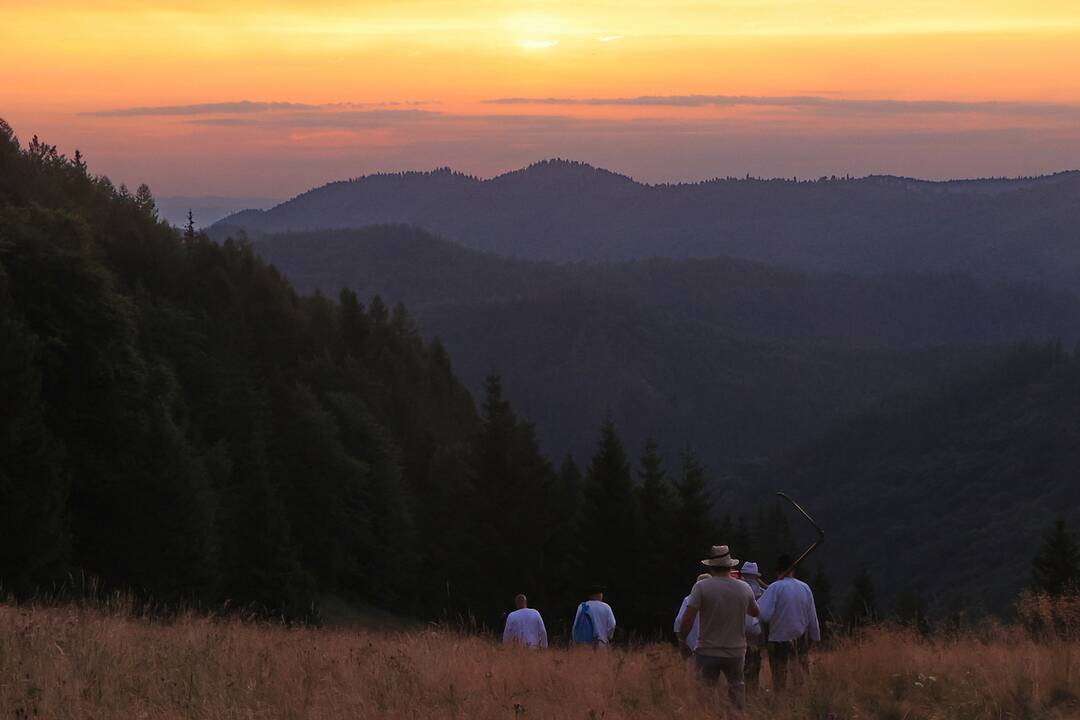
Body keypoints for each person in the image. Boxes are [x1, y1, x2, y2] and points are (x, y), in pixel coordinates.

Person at [677, 545, 760, 709]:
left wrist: (682, 641)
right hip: (736, 651)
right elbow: (755, 612)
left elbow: (687, 619)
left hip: (707, 650)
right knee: (737, 692)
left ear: (710, 566)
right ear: (730, 566)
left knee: (705, 696)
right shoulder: (744, 588)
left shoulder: (701, 587)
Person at [757, 554, 821, 690]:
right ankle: (799, 705)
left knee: (779, 680)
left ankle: (781, 706)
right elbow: (812, 617)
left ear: (777, 571)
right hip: (800, 639)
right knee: (800, 678)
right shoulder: (805, 588)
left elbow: (763, 615)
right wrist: (815, 637)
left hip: (778, 640)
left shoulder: (774, 588)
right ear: (794, 570)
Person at [739, 561, 767, 692]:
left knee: (741, 663)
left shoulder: (738, 588)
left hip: (739, 631)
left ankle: (744, 689)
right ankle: (753, 689)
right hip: (755, 632)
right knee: (754, 661)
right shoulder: (761, 591)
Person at [673, 573, 712, 651]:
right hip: (714, 647)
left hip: (692, 645)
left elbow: (679, 620)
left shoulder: (689, 599)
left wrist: (681, 641)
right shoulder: (718, 599)